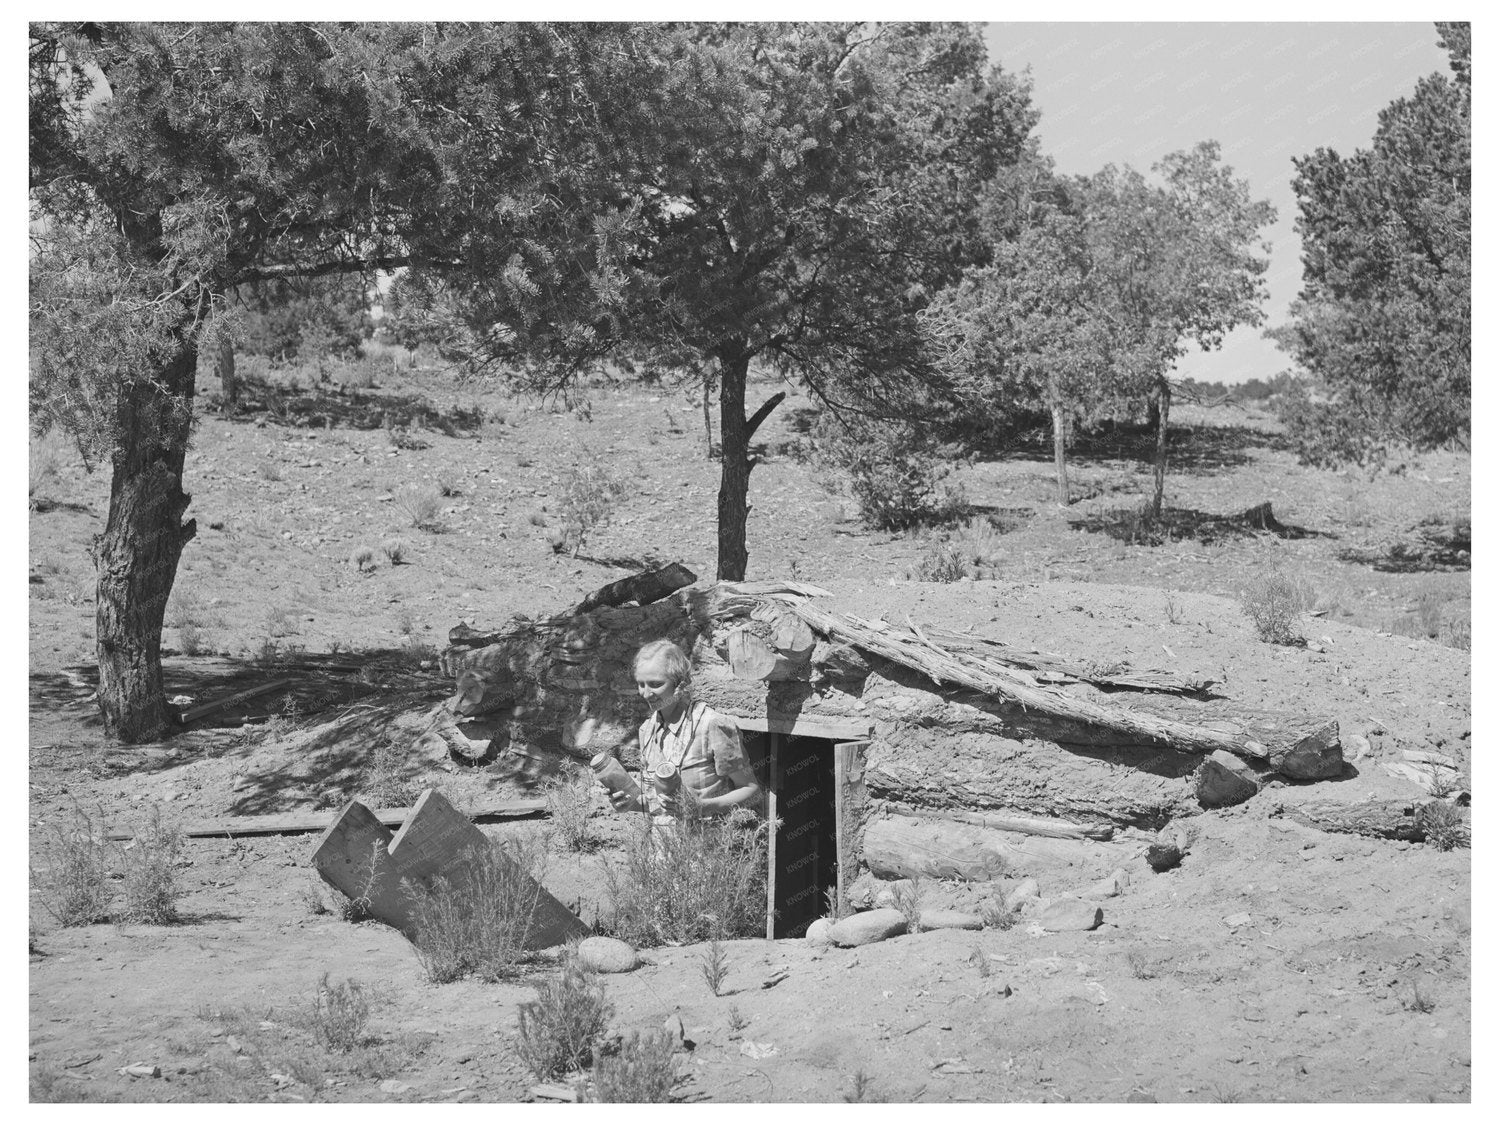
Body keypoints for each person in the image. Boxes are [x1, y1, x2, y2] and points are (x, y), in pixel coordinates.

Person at [610, 639, 762, 824]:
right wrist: (630, 803)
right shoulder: (647, 730)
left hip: (709, 844)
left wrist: (702, 807)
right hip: (661, 848)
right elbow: (660, 806)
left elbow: (751, 791)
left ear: (680, 683)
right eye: (641, 684)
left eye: (656, 684)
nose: (646, 693)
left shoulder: (712, 725)